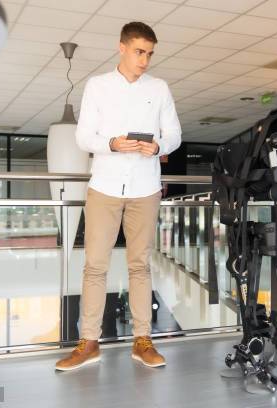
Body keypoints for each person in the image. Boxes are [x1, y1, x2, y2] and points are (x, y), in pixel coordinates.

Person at [55, 21, 181, 371]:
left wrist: (157, 146)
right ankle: (88, 342)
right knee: (95, 265)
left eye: (150, 54)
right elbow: (83, 137)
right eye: (140, 51)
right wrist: (111, 143)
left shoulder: (159, 88)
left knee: (139, 265)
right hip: (105, 186)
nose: (145, 60)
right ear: (122, 47)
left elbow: (174, 135)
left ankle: (143, 340)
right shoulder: (98, 86)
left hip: (145, 187)